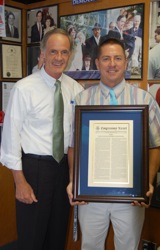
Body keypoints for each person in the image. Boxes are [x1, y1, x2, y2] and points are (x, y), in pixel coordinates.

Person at [67, 38, 160, 250]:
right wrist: (74, 182)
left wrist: (146, 183)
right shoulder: (81, 100)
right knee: (90, 246)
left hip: (131, 198)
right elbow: (73, 147)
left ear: (126, 62)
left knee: (128, 247)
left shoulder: (145, 100)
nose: (112, 63)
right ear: (96, 63)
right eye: (106, 58)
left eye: (118, 58)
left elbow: (155, 146)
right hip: (90, 196)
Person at [0, 28, 83, 250]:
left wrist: (74, 179)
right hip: (34, 171)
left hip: (62, 169)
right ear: (43, 54)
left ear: (70, 54)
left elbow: (75, 139)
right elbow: (10, 137)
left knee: (56, 237)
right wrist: (20, 182)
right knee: (32, 239)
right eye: (53, 51)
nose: (59, 58)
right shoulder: (24, 88)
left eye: (64, 52)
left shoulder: (75, 89)